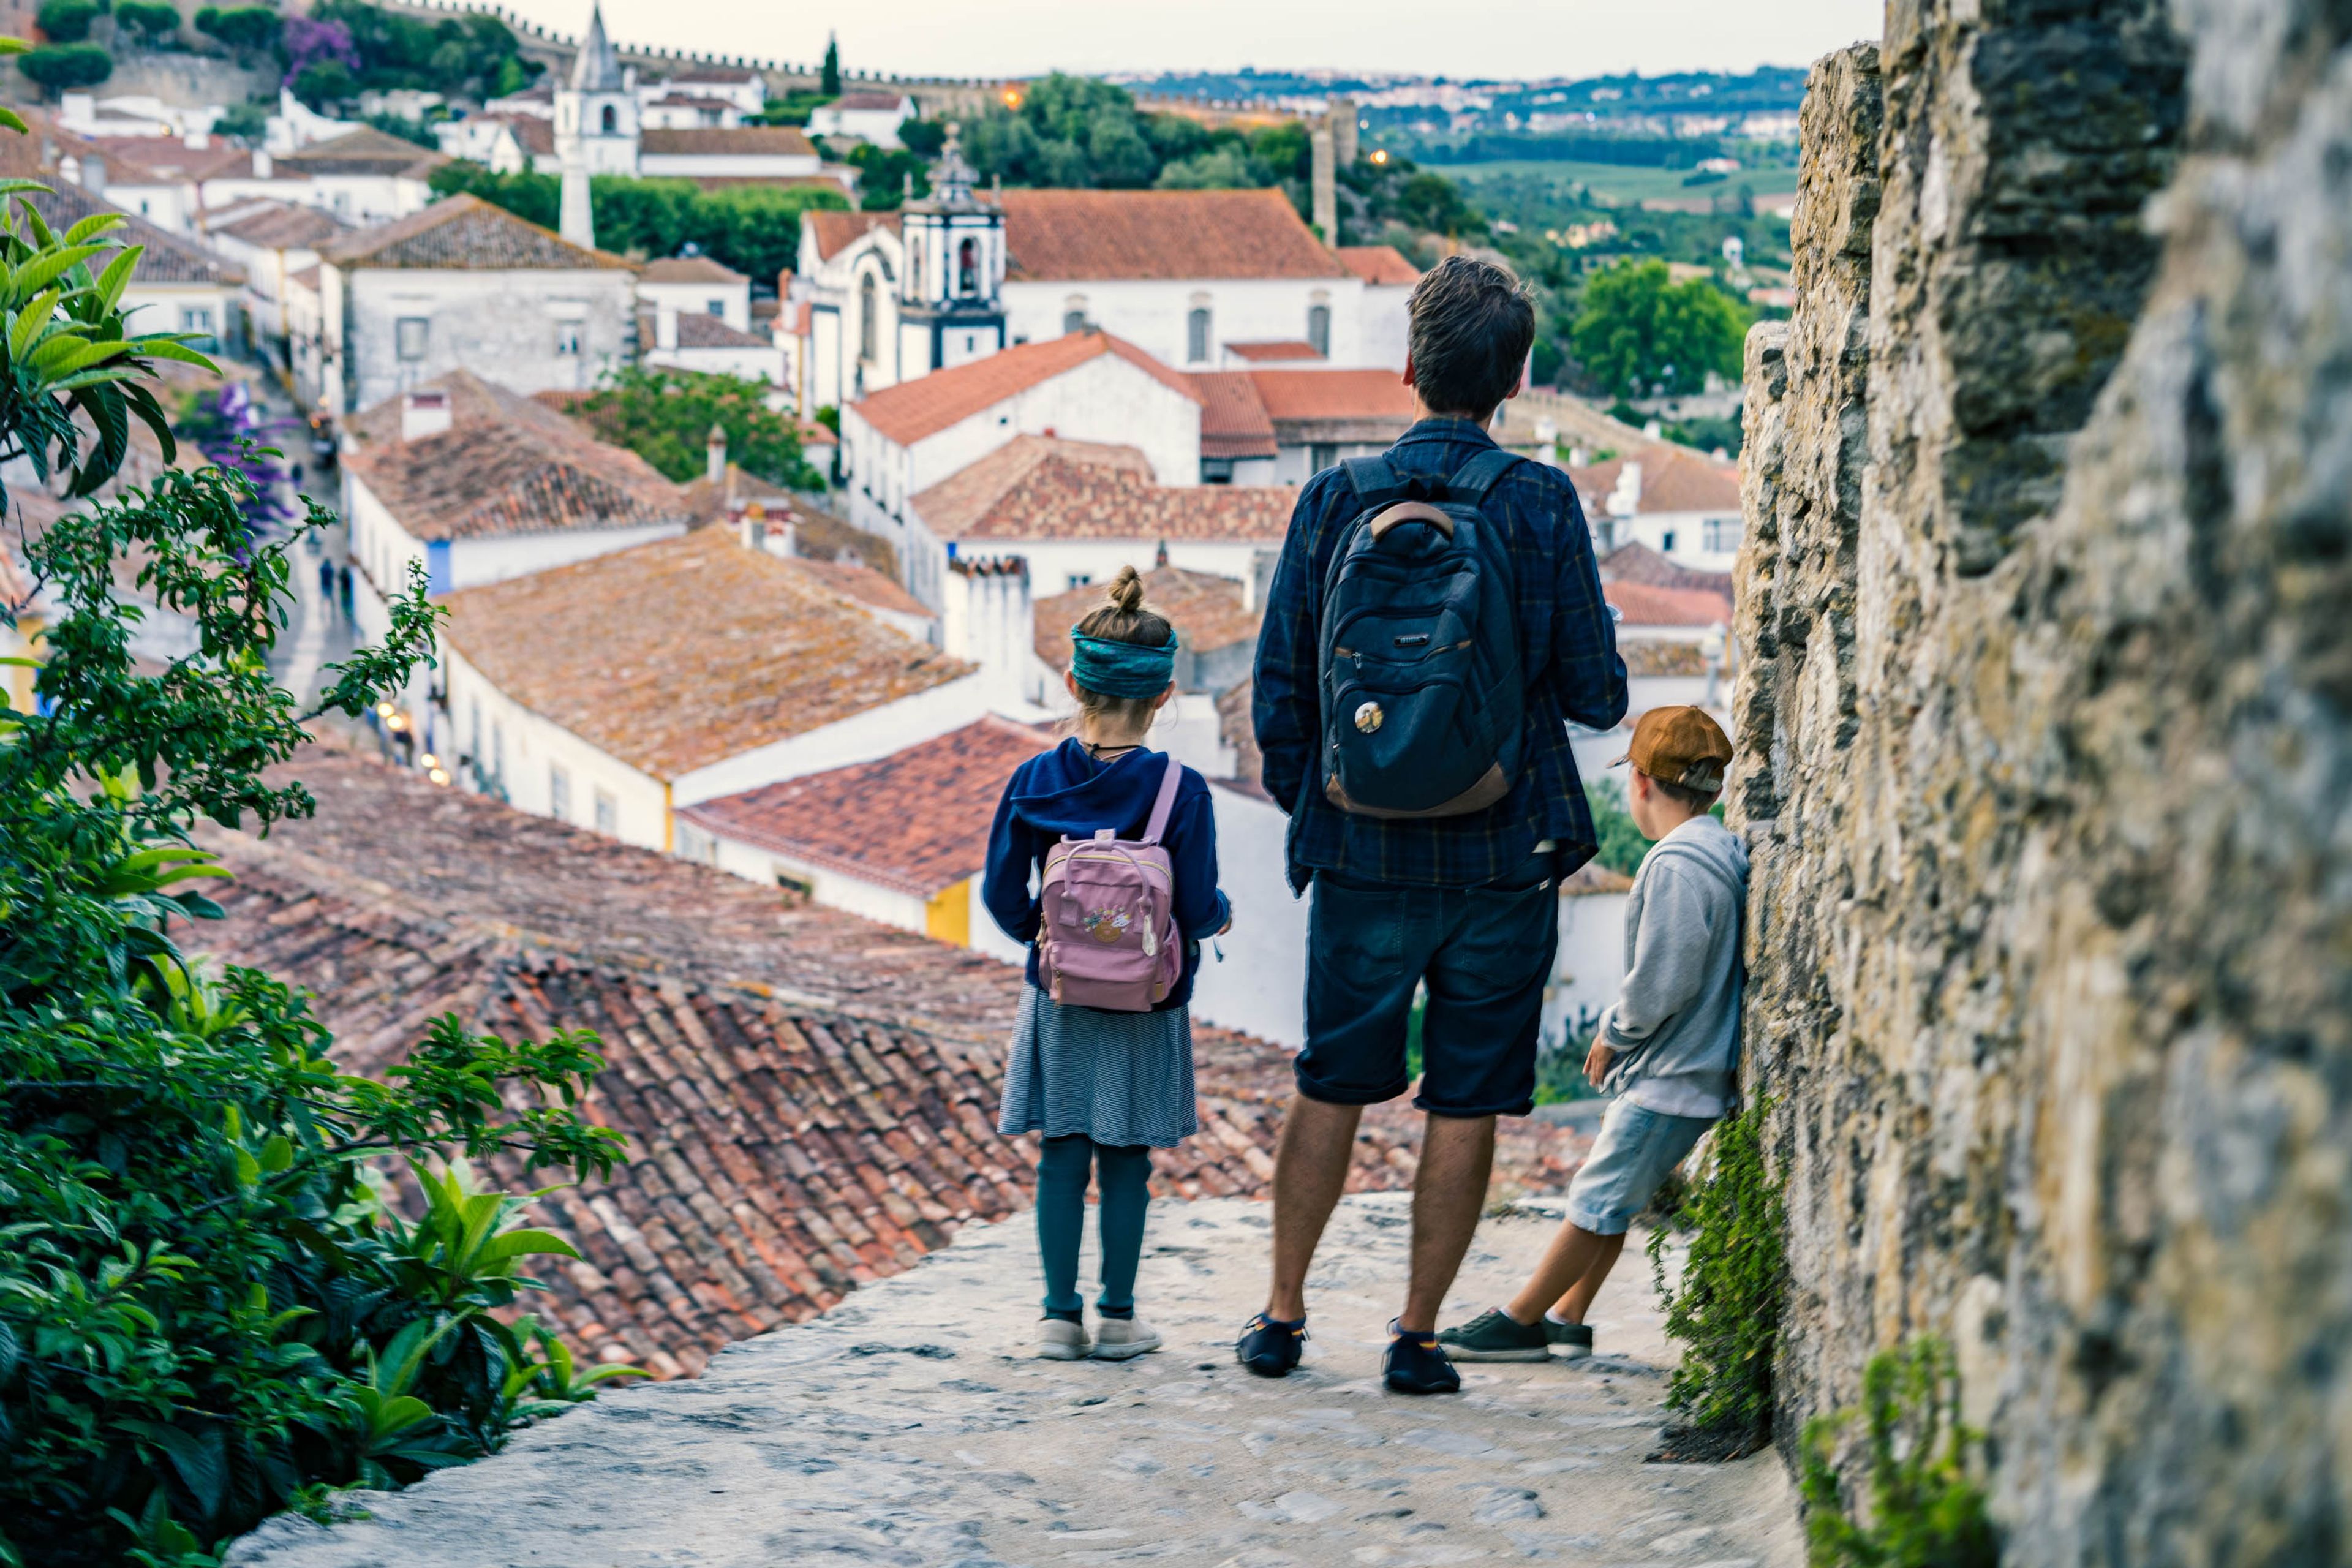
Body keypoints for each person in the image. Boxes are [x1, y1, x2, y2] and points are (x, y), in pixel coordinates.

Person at [1243, 254, 1628, 1395]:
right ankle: (1414, 1335)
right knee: (1466, 1097)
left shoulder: (1335, 498)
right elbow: (1600, 694)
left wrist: (1328, 801)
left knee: (1332, 1079)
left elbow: (1279, 691)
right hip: (1505, 851)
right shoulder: (1540, 503)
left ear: (1409, 368)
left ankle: (1281, 1317)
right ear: (1511, 380)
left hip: (1360, 850)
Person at [1437, 706, 1747, 1364]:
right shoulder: (1721, 847)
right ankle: (1569, 1315)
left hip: (1669, 1076)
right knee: (1614, 1199)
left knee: (1592, 1198)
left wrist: (1612, 1035)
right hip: (1691, 1071)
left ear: (1640, 782)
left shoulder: (1674, 864)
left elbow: (1664, 979)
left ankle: (1519, 1321)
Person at [984, 567, 1232, 1363]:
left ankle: (1059, 1317)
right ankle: (1120, 1317)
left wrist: (1050, 944)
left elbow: (999, 893)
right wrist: (1217, 918)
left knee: (1062, 1153)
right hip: (1147, 1003)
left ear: (1071, 681)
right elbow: (1195, 909)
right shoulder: (1180, 791)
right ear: (1163, 695)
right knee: (1126, 1159)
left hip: (1058, 999)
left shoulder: (1034, 779)